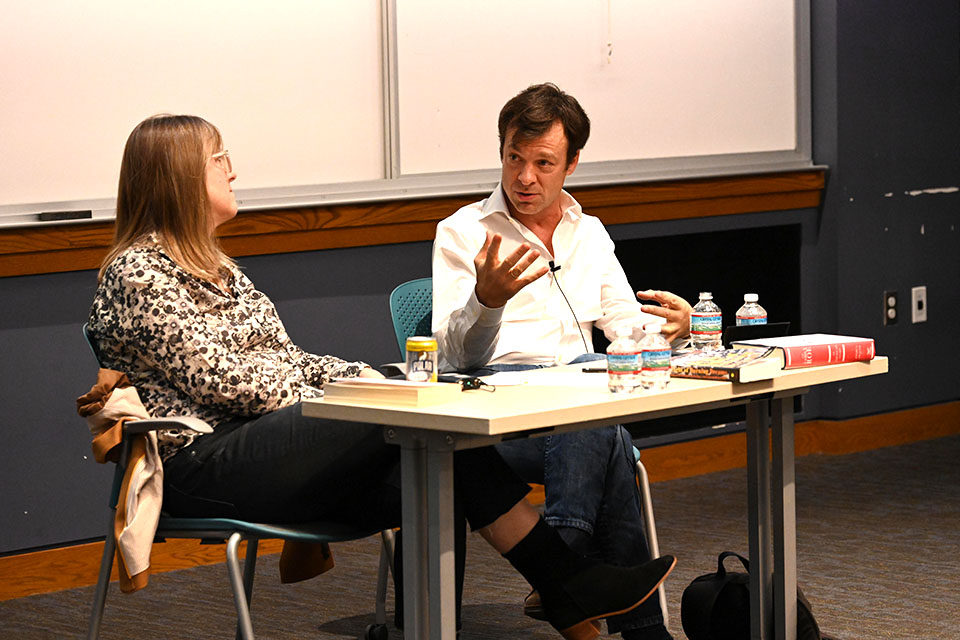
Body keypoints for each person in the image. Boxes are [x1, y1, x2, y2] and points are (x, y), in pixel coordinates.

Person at [87, 114, 675, 640]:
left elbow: (288, 359)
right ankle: (571, 578)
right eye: (219, 160)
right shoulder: (139, 271)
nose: (233, 171)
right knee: (398, 415)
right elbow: (231, 384)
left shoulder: (217, 267)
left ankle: (569, 594)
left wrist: (368, 376)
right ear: (182, 178)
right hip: (203, 460)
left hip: (265, 446)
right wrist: (364, 394)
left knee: (440, 459)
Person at [432, 83, 692, 640]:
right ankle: (598, 597)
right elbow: (452, 357)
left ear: (572, 163)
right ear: (501, 153)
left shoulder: (589, 232)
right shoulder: (461, 233)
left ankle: (562, 573)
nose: (524, 178)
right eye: (513, 159)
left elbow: (624, 322)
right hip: (496, 413)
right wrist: (487, 302)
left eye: (543, 163)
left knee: (594, 417)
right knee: (605, 431)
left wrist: (673, 331)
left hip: (577, 398)